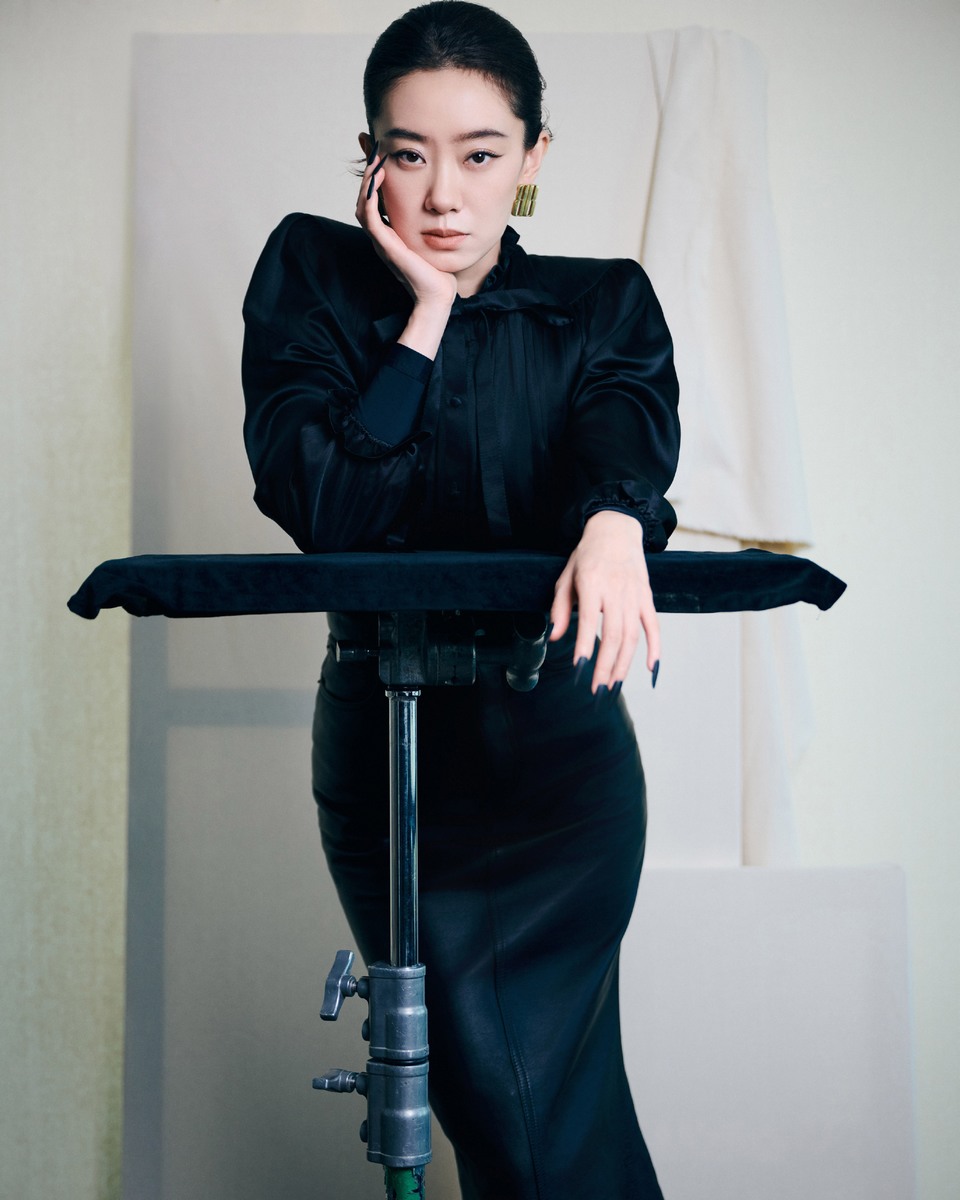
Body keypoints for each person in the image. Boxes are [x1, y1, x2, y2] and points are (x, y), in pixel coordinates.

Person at [241, 3, 680, 1196]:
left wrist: (613, 520)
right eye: (410, 153)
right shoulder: (311, 280)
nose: (444, 194)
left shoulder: (602, 304)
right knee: (494, 1109)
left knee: (552, 1115)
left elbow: (625, 437)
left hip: (562, 767)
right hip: (394, 765)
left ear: (533, 157)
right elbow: (328, 511)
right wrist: (426, 316)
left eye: (481, 154)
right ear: (370, 159)